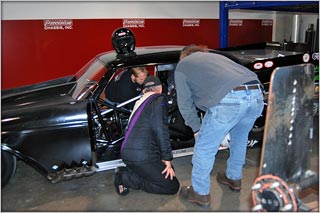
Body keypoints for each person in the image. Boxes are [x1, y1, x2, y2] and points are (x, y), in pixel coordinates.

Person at [175, 45, 264, 208]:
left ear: (184, 56)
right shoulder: (218, 58)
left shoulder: (183, 65)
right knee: (239, 139)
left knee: (204, 148)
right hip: (256, 94)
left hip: (230, 99)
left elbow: (185, 104)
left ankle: (200, 193)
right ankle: (234, 178)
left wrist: (196, 128)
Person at [113, 76, 180, 196]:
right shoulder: (159, 100)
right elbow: (161, 130)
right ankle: (126, 178)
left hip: (129, 152)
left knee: (170, 171)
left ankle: (131, 171)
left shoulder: (140, 102)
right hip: (141, 155)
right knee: (172, 187)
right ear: (160, 89)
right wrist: (167, 158)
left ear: (144, 91)